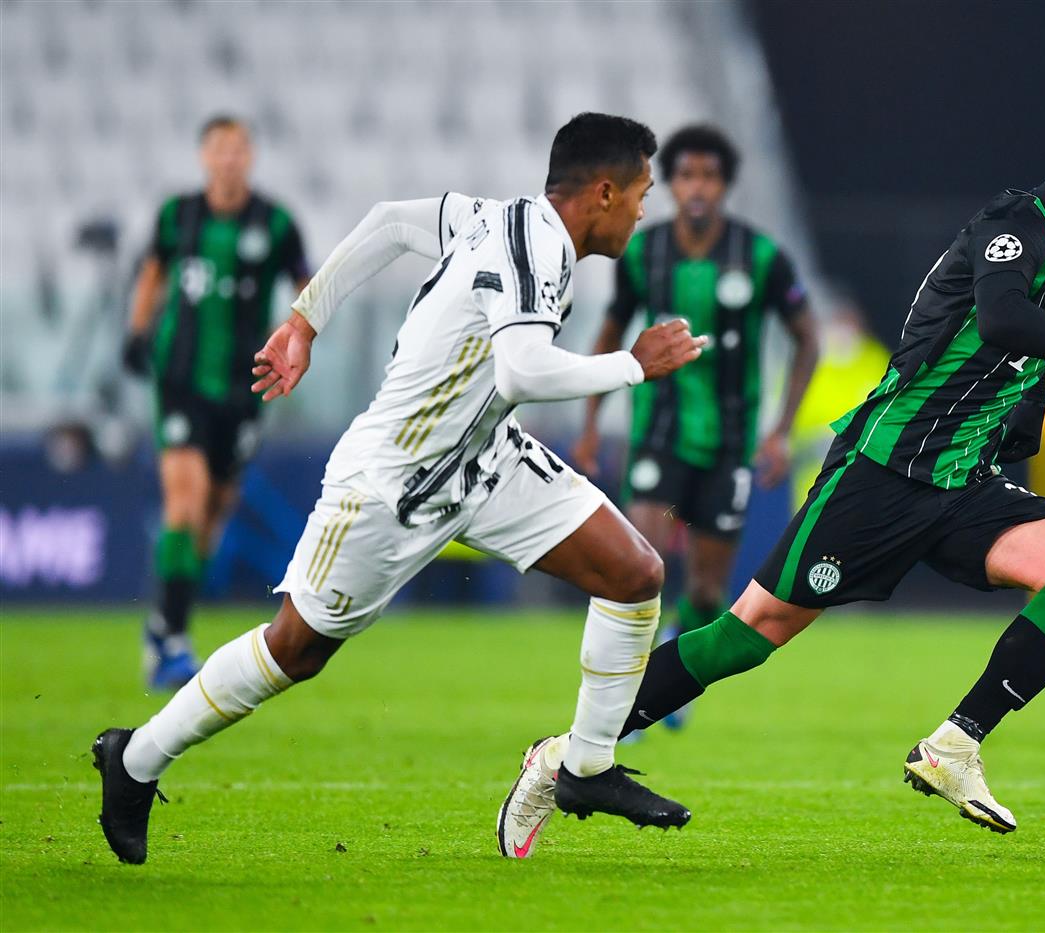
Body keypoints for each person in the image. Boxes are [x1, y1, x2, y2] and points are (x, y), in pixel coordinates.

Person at [499, 128, 1045, 846]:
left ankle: (955, 745)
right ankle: (561, 758)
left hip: (964, 483)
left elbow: (1027, 348)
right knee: (744, 638)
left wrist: (1022, 421)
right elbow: (1003, 318)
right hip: (882, 474)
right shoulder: (1014, 229)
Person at [93, 113, 708, 866]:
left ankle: (583, 767)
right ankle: (135, 759)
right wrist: (633, 363)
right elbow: (522, 371)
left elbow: (387, 225)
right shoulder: (533, 248)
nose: (647, 211)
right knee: (296, 649)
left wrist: (305, 319)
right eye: (643, 192)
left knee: (635, 571)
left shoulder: (494, 218)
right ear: (604, 191)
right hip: (393, 483)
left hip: (485, 461)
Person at [572, 125, 819, 683]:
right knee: (641, 567)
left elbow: (807, 336)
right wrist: (590, 423)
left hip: (730, 443)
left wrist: (780, 430)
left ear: (725, 185)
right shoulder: (645, 253)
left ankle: (674, 659)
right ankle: (629, 684)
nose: (698, 187)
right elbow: (610, 332)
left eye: (709, 176)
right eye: (686, 175)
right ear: (673, 185)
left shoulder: (759, 256)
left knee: (707, 593)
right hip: (657, 434)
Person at [121, 115, 310, 689]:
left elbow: (307, 288)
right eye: (219, 150)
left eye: (238, 150)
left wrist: (300, 336)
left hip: (245, 387)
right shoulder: (178, 215)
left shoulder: (276, 224)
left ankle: (163, 623)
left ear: (248, 157)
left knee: (211, 516)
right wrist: (137, 330)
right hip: (180, 381)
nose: (229, 160)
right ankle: (173, 640)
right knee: (186, 500)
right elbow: (153, 271)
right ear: (206, 156)